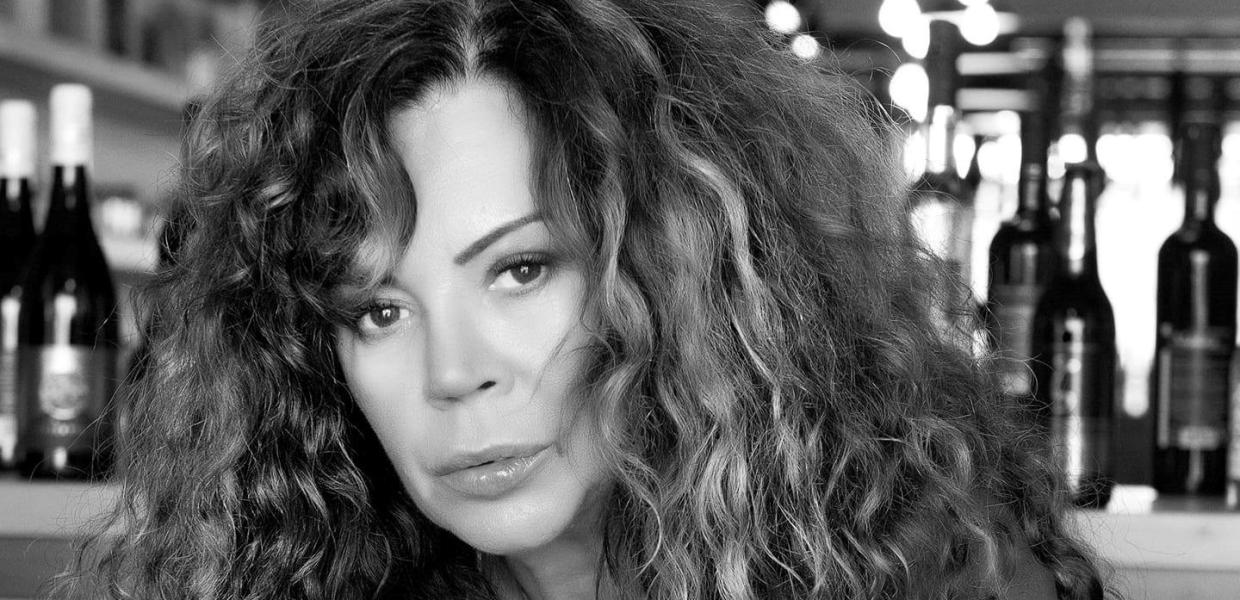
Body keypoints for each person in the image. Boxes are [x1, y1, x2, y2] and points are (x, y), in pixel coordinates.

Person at [56, 1, 1106, 599]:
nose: (454, 372)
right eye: (377, 310)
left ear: (673, 271)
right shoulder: (341, 579)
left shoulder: (921, 565)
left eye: (520, 269)